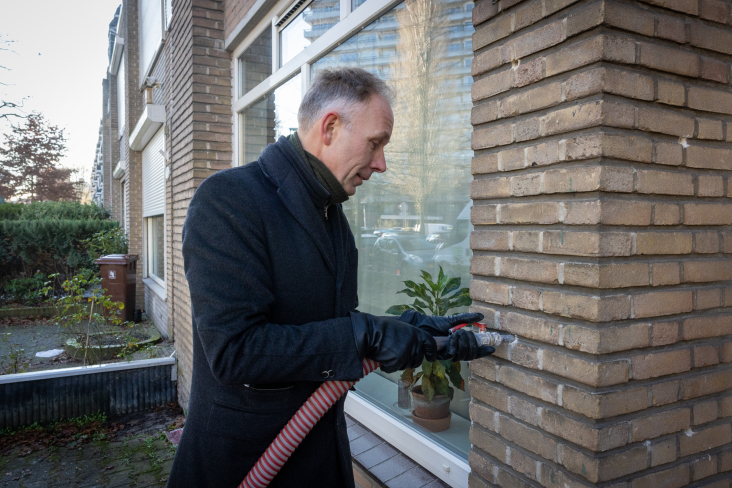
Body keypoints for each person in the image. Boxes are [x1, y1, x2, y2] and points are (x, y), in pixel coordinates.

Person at [166, 68, 492, 488]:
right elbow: (235, 351)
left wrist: (418, 332)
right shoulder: (229, 199)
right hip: (246, 463)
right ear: (331, 127)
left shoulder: (330, 213)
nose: (382, 164)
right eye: (376, 143)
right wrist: (366, 335)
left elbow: (326, 323)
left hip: (320, 455)